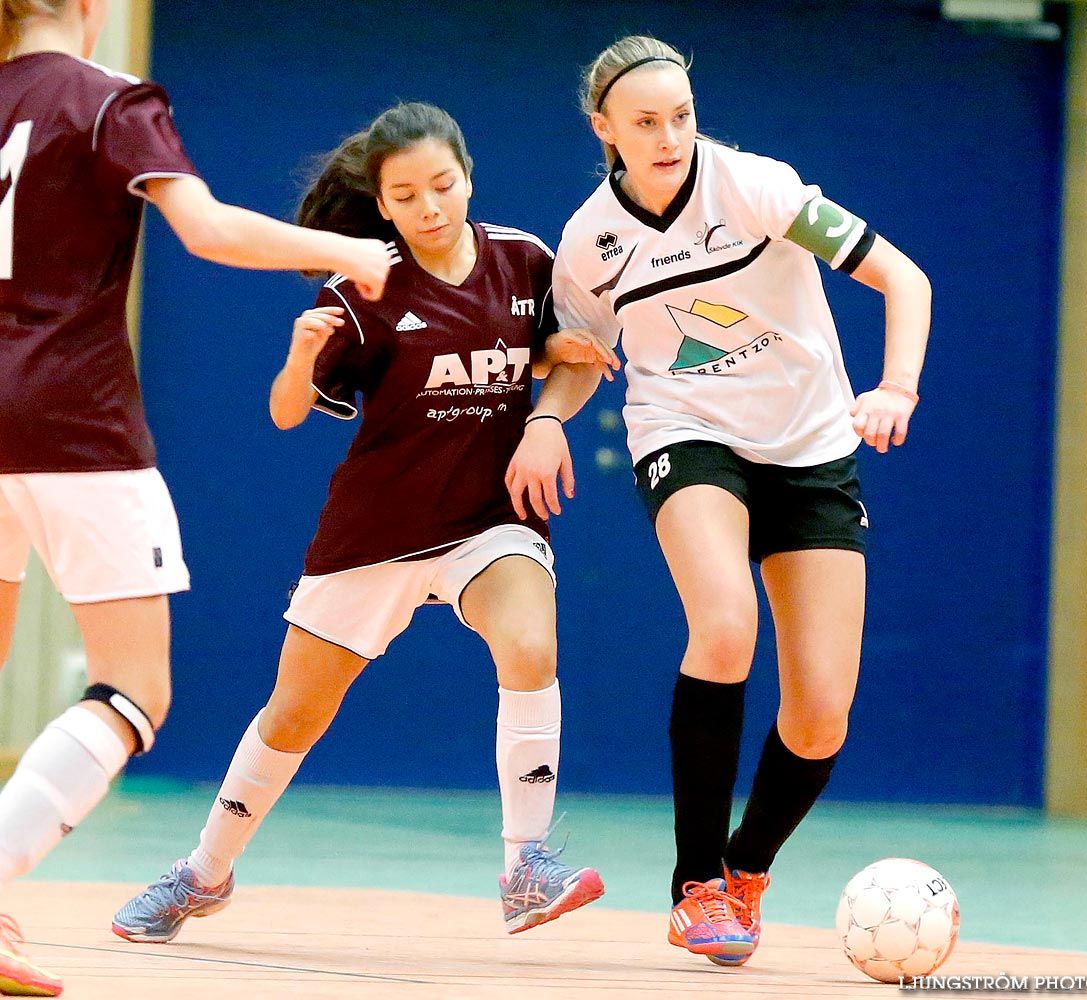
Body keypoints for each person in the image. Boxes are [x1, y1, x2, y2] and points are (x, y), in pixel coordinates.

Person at [110, 101, 606, 950]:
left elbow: (573, 359)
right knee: (293, 715)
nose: (429, 206)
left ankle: (525, 865)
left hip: (488, 523)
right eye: (406, 194)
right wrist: (301, 358)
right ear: (381, 204)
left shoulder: (524, 260)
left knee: (530, 644)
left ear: (467, 175)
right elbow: (285, 413)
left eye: (442, 185)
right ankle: (203, 872)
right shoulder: (362, 288)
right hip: (375, 532)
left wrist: (547, 418)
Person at [505, 35, 931, 967]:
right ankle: (694, 884)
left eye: (681, 116)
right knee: (726, 624)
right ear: (604, 129)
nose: (668, 137)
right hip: (687, 431)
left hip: (814, 446)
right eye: (646, 122)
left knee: (821, 709)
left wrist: (894, 386)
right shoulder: (590, 241)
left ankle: (745, 870)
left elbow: (904, 276)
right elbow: (580, 354)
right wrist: (547, 419)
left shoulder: (755, 189)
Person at [0, 0, 390, 994]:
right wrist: (350, 255)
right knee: (132, 688)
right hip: (71, 419)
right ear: (88, 10)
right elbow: (206, 230)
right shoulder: (108, 100)